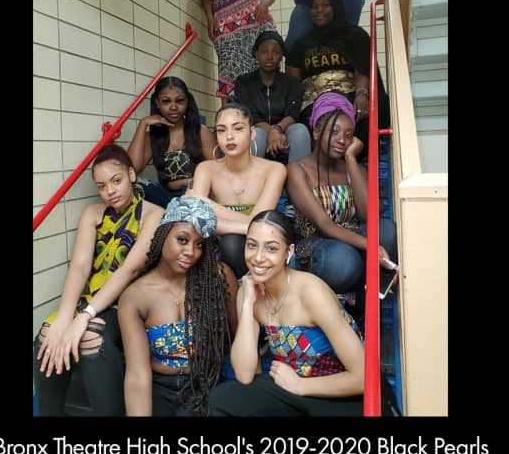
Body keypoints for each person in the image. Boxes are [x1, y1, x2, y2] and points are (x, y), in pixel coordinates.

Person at [33, 144, 164, 416]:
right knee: (47, 335)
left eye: (116, 181)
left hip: (127, 302)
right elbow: (80, 267)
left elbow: (129, 270)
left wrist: (84, 316)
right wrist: (66, 317)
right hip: (91, 297)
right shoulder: (93, 214)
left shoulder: (154, 214)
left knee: (91, 337)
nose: (110, 191)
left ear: (131, 174)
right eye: (101, 186)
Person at [208, 210, 365, 416]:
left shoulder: (311, 293)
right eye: (252, 245)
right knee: (220, 400)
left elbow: (362, 378)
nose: (258, 258)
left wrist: (301, 386)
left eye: (271, 248)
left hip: (337, 393)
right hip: (288, 388)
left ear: (288, 252)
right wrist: (247, 305)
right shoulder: (249, 290)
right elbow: (245, 375)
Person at [118, 196, 238, 416]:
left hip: (205, 384)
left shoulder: (219, 278)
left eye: (199, 244)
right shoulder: (135, 296)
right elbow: (137, 374)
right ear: (163, 235)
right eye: (182, 240)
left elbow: (237, 339)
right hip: (157, 388)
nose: (191, 252)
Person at [286, 93, 396, 300]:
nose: (342, 140)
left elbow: (371, 215)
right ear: (317, 132)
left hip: (353, 239)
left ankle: (369, 301)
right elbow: (324, 225)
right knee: (344, 259)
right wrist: (370, 246)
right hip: (317, 245)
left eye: (348, 135)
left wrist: (351, 160)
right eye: (334, 132)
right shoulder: (296, 171)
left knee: (388, 230)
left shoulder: (352, 169)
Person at [286, 0, 390, 162]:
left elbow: (363, 68)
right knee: (319, 121)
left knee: (378, 104)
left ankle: (352, 158)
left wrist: (362, 93)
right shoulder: (301, 45)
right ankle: (332, 166)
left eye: (325, 5)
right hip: (314, 103)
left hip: (351, 97)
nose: (319, 10)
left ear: (336, 7)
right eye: (315, 6)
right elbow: (292, 82)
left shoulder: (354, 35)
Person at [187, 102, 287, 280]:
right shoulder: (206, 168)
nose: (229, 137)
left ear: (252, 133)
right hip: (222, 248)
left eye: (238, 128)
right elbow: (198, 220)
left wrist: (209, 205)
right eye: (221, 130)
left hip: (264, 245)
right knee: (231, 242)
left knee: (233, 241)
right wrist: (249, 224)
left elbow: (262, 223)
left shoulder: (275, 169)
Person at [127, 76, 216, 208]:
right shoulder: (152, 136)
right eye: (166, 101)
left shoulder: (200, 131)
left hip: (195, 194)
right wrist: (143, 124)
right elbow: (132, 170)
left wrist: (181, 183)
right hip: (165, 197)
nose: (173, 107)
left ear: (187, 102)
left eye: (179, 101)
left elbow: (217, 172)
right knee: (132, 185)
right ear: (157, 103)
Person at [232, 30, 310, 165]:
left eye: (276, 52)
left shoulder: (292, 82)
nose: (270, 56)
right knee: (257, 135)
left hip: (284, 130)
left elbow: (293, 113)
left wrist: (277, 130)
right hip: (258, 129)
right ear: (256, 54)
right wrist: (272, 132)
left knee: (300, 131)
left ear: (281, 57)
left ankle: (298, 180)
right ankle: (252, 183)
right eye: (264, 51)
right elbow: (249, 115)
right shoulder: (244, 83)